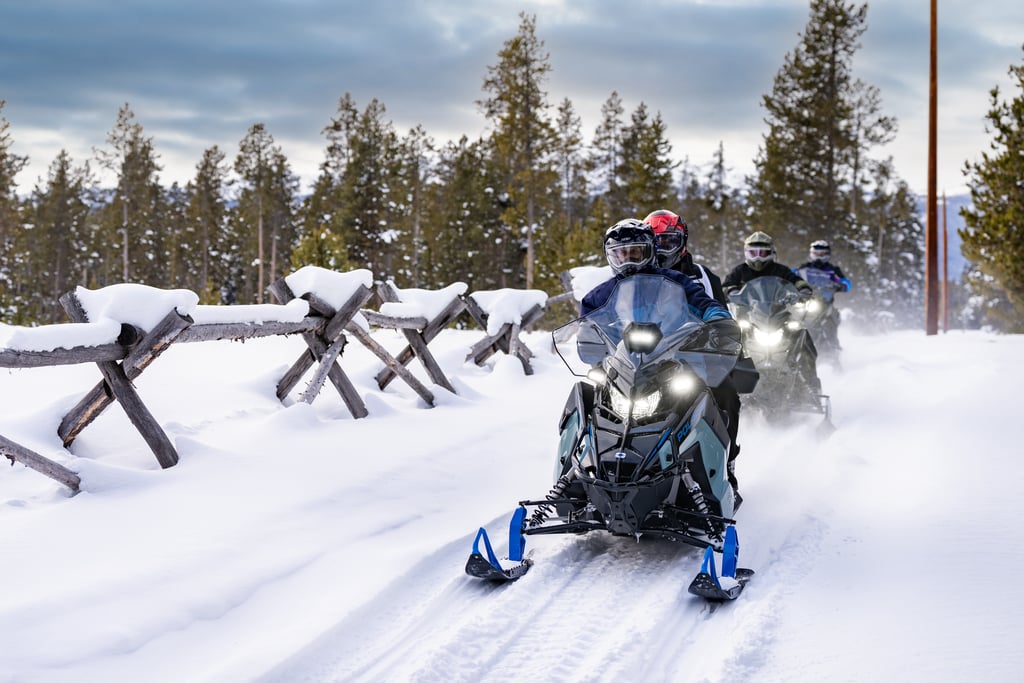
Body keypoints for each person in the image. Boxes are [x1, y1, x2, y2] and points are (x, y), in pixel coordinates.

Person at [643, 209, 743, 500]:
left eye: (669, 241)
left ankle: (727, 462)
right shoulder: (641, 273)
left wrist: (721, 337)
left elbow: (722, 312)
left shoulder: (701, 276)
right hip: (648, 356)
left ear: (682, 240)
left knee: (726, 394)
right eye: (657, 241)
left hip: (695, 354)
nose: (663, 249)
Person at [723, 231, 822, 395]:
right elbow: (725, 286)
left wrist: (803, 289)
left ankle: (811, 386)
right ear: (746, 253)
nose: (758, 257)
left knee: (802, 336)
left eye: (763, 253)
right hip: (748, 319)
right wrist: (730, 291)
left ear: (771, 253)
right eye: (753, 253)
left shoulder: (780, 270)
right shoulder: (739, 271)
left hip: (779, 317)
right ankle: (727, 388)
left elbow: (796, 280)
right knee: (727, 343)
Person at [581, 219, 732, 321]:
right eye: (621, 254)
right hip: (621, 362)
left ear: (649, 251)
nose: (628, 260)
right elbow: (588, 333)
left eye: (634, 252)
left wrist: (717, 319)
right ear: (611, 256)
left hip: (675, 355)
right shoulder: (598, 297)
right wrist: (589, 342)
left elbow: (704, 304)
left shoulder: (675, 281)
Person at [796, 240, 851, 351]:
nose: (818, 256)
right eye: (816, 253)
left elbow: (846, 282)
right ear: (811, 253)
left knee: (832, 319)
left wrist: (841, 285)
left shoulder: (833, 271)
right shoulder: (803, 269)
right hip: (805, 303)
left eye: (821, 254)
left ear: (827, 254)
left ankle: (833, 349)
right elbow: (790, 276)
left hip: (825, 304)